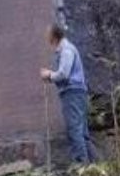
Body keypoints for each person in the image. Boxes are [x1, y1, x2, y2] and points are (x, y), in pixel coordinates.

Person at [40, 24, 98, 165]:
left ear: (54, 36)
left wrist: (49, 75)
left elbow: (64, 74)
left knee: (74, 129)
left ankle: (82, 166)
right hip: (77, 92)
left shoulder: (66, 50)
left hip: (72, 93)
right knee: (82, 132)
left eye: (48, 33)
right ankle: (95, 165)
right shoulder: (66, 49)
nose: (46, 36)